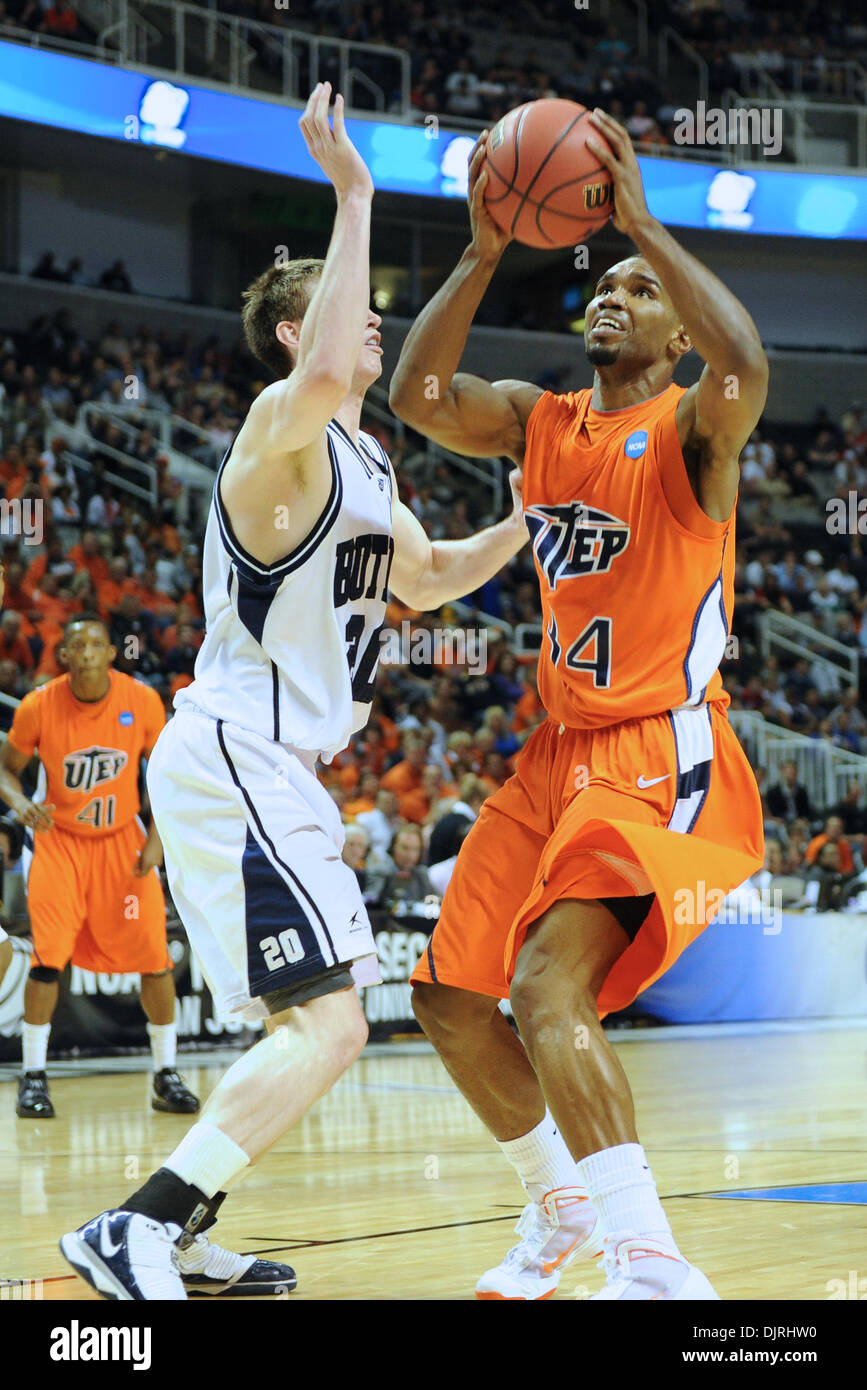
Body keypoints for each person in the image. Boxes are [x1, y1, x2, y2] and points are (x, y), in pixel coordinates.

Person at [59, 84, 529, 1302]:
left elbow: (425, 583)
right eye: (358, 315)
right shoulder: (284, 425)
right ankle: (136, 1232)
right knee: (334, 1022)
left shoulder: (369, 463)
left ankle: (172, 1225)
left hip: (268, 765)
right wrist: (356, 192)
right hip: (241, 749)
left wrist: (532, 519)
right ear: (294, 336)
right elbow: (328, 365)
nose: (375, 332)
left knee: (306, 1025)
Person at [389, 108, 767, 1301]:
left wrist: (648, 220)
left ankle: (651, 1260)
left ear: (672, 328)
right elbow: (418, 394)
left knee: (548, 989)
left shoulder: (696, 428)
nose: (613, 294)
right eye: (602, 280)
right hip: (552, 754)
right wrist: (484, 247)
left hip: (661, 747)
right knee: (448, 997)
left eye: (640, 288)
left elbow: (750, 366)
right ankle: (559, 1207)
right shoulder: (538, 421)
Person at [0, 613, 200, 1121]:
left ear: (111, 653)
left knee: (155, 958)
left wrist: (158, 837)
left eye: (95, 643)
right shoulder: (38, 706)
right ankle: (34, 1077)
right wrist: (18, 802)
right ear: (64, 656)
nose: (86, 651)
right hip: (59, 843)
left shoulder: (142, 700)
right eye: (76, 645)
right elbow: (6, 768)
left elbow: (170, 773)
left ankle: (165, 1073)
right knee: (47, 959)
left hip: (121, 845)